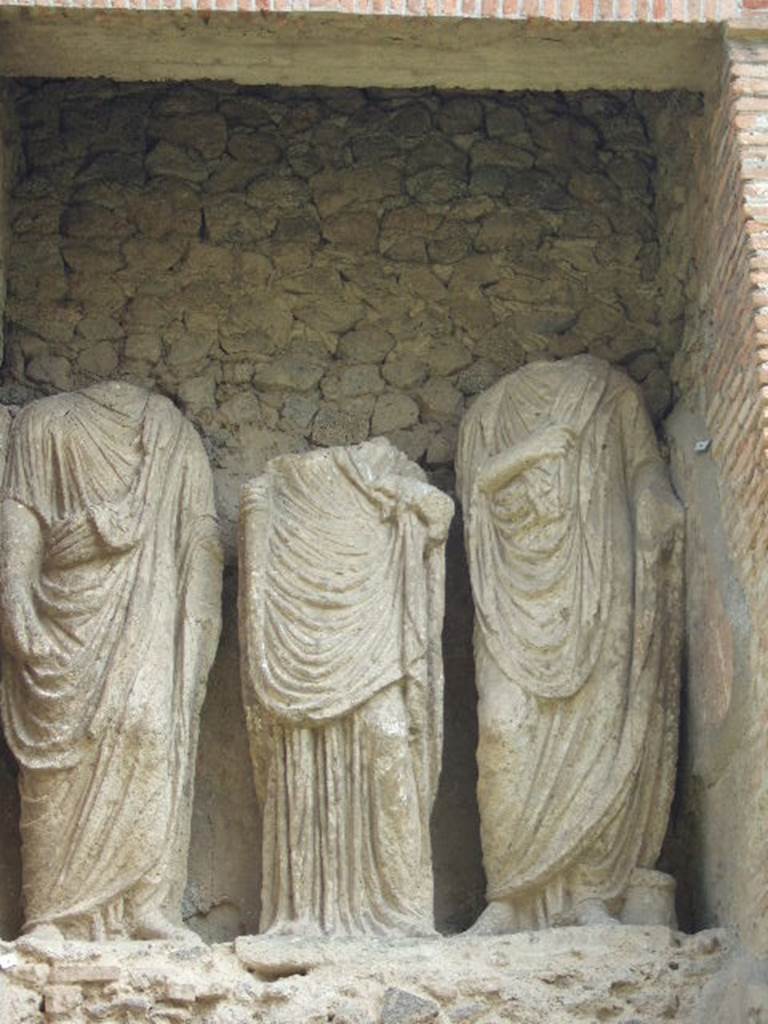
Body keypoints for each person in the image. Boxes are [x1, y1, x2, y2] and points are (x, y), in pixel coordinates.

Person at [456, 355, 683, 933]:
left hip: (600, 576)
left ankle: (592, 894)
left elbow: (644, 467)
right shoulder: (486, 415)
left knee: (601, 727)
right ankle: (508, 896)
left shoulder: (611, 391)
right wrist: (531, 453)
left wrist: (655, 501)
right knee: (502, 732)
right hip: (511, 596)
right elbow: (474, 498)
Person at [0, 381, 223, 941]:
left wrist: (200, 620)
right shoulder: (44, 423)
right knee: (58, 755)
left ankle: (147, 906)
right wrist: (15, 590)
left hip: (148, 609)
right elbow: (20, 509)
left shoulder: (173, 435)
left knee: (148, 732)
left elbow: (201, 532)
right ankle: (49, 914)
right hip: (64, 611)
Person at [239, 437, 453, 938]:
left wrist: (411, 496)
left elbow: (439, 517)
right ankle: (304, 914)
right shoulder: (280, 484)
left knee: (388, 738)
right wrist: (256, 515)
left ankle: (402, 910)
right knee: (302, 763)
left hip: (376, 634)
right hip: (302, 636)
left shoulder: (393, 467)